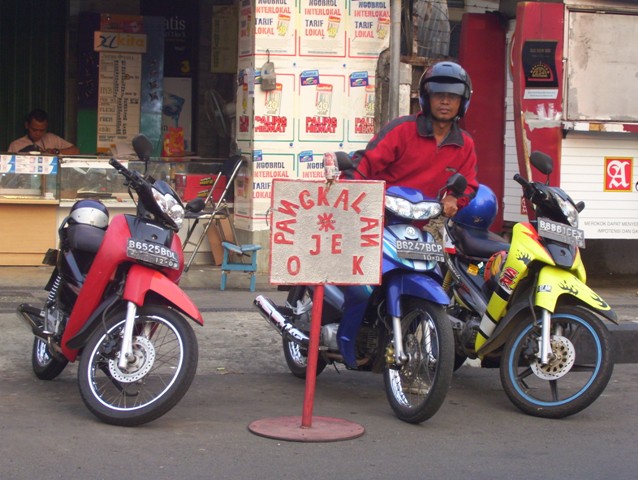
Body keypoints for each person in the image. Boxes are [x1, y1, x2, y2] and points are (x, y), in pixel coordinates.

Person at [351, 61, 478, 219]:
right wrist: (349, 196)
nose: (445, 101)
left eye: (452, 96)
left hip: (422, 225)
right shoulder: (401, 130)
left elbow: (468, 184)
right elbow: (364, 164)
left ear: (462, 101)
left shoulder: (464, 144)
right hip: (377, 220)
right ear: (427, 97)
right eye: (438, 95)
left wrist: (453, 198)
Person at [8, 109, 80, 155]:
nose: (38, 133)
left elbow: (75, 151)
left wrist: (53, 152)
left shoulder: (52, 139)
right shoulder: (15, 145)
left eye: (42, 130)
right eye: (34, 130)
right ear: (27, 125)